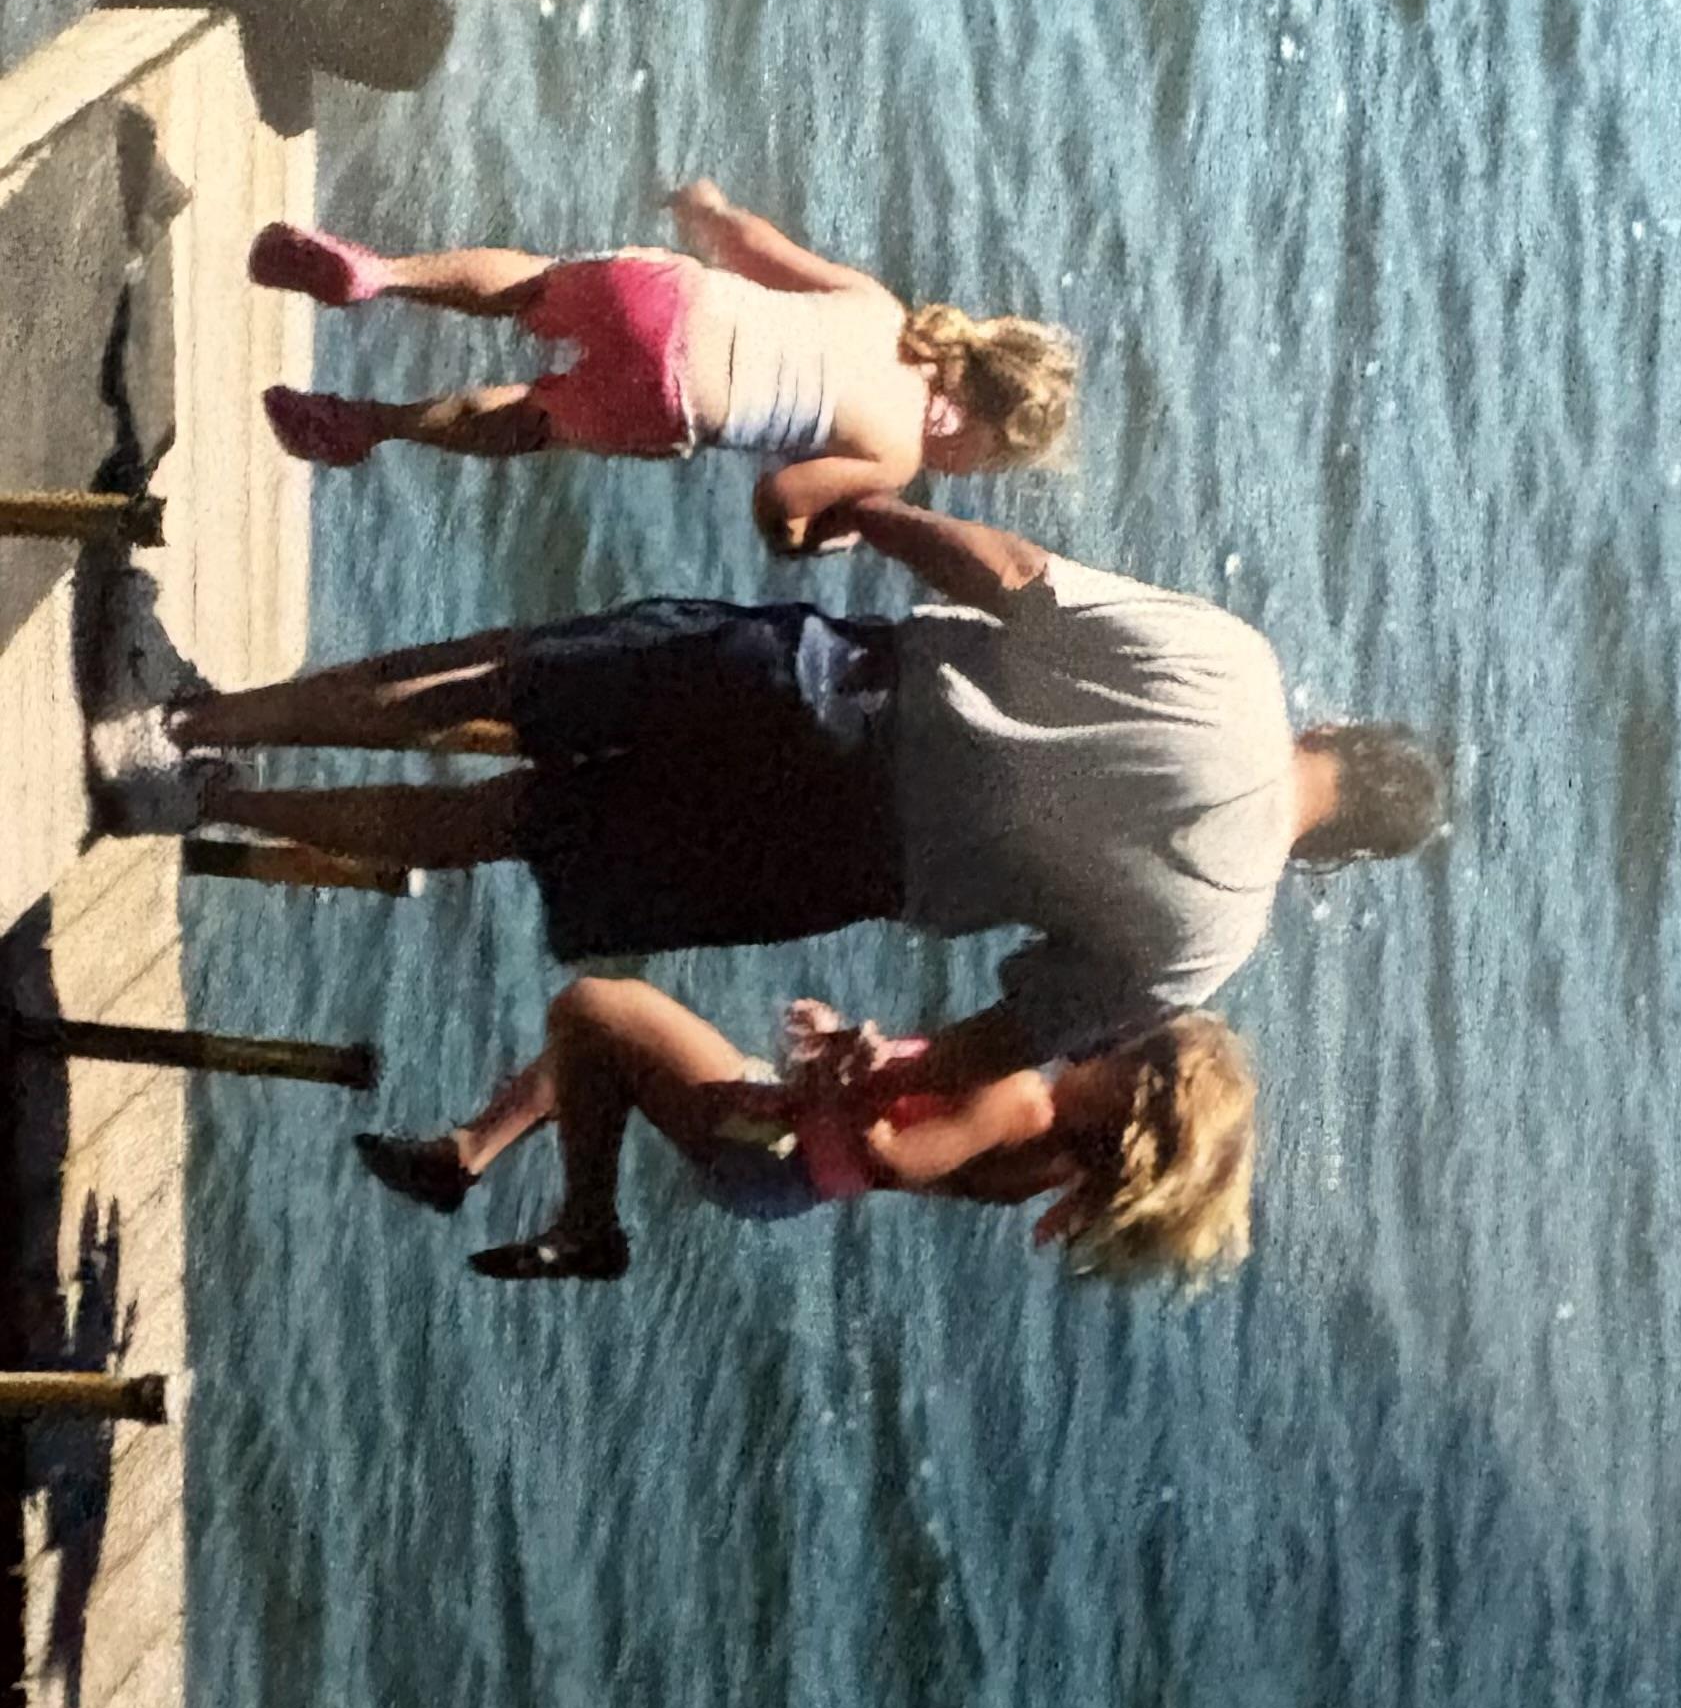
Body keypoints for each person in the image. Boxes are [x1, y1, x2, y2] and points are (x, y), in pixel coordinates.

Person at [87, 500, 1448, 1085]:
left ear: (1339, 723)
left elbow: (1014, 575)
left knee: (503, 677)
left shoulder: (1237, 663)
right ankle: (207, 797)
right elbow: (1007, 1031)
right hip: (827, 864)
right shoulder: (1214, 946)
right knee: (506, 827)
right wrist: (882, 1063)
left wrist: (870, 508)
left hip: (828, 689)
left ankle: (186, 712)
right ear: (1346, 857)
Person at [249, 179, 1077, 550]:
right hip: (674, 399)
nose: (973, 477)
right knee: (533, 417)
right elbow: (778, 497)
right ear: (978, 430)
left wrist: (707, 211)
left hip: (669, 295)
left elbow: (756, 248)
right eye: (994, 464)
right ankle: (369, 423)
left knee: (530, 287)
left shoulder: (882, 310)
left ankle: (378, 273)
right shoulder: (894, 456)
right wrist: (808, 539)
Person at [352, 982, 1256, 1286]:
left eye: (1140, 1044)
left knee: (592, 1005)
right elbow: (907, 1137)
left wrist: (841, 1076)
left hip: (771, 1148)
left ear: (1135, 1086)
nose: (1117, 1034)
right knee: (599, 1049)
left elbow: (895, 1155)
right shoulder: (1048, 1159)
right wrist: (852, 1057)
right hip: (783, 1156)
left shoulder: (1024, 1101)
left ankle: (585, 1222)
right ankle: (464, 1160)